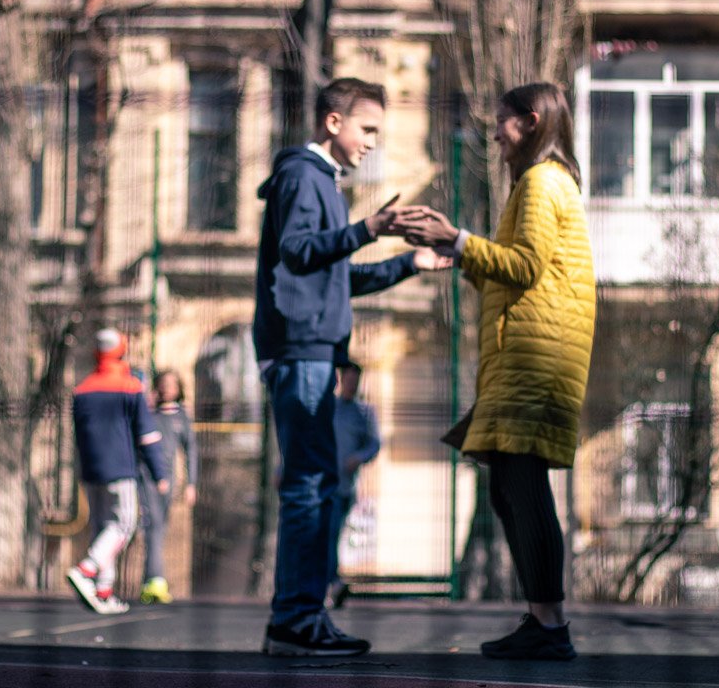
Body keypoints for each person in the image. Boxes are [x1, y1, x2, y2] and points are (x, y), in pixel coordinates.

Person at [395, 82, 596, 661]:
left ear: (530, 121)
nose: (495, 135)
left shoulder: (541, 182)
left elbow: (525, 267)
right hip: (530, 356)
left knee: (522, 488)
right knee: (510, 490)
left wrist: (458, 238)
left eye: (502, 122)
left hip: (535, 359)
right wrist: (456, 254)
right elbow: (515, 274)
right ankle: (543, 620)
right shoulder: (543, 183)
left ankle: (550, 624)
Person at [253, 77, 451, 656]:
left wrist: (409, 262)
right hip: (301, 352)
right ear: (333, 122)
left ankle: (300, 618)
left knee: (317, 485)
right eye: (367, 129)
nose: (372, 142)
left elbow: (339, 276)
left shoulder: (323, 184)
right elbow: (298, 251)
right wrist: (369, 228)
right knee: (309, 486)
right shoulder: (302, 177)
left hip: (313, 351)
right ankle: (296, 620)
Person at [67, 328, 169, 615]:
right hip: (120, 468)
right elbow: (146, 435)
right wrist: (159, 473)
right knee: (123, 525)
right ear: (122, 352)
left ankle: (103, 591)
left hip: (90, 470)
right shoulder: (130, 387)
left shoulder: (82, 389)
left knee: (103, 529)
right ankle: (86, 570)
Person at [137, 369, 199, 605]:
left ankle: (149, 581)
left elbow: (191, 450)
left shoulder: (182, 417)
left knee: (159, 528)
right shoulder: (148, 414)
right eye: (163, 384)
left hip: (168, 481)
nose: (166, 388)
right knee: (153, 526)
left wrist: (191, 484)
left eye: (172, 384)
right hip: (146, 477)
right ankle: (156, 580)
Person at [326, 361, 381, 608]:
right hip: (323, 485)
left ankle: (332, 582)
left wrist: (359, 457)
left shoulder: (364, 412)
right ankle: (333, 582)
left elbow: (374, 444)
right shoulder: (328, 409)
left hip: (345, 487)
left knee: (331, 535)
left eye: (356, 380)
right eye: (349, 378)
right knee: (326, 535)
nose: (352, 384)